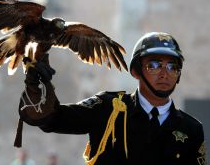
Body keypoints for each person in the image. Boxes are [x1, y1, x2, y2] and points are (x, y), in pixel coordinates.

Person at [17, 32, 206, 165]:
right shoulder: (108, 108)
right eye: (154, 65)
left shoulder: (191, 129)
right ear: (136, 71)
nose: (165, 73)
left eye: (173, 67)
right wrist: (39, 85)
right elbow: (53, 119)